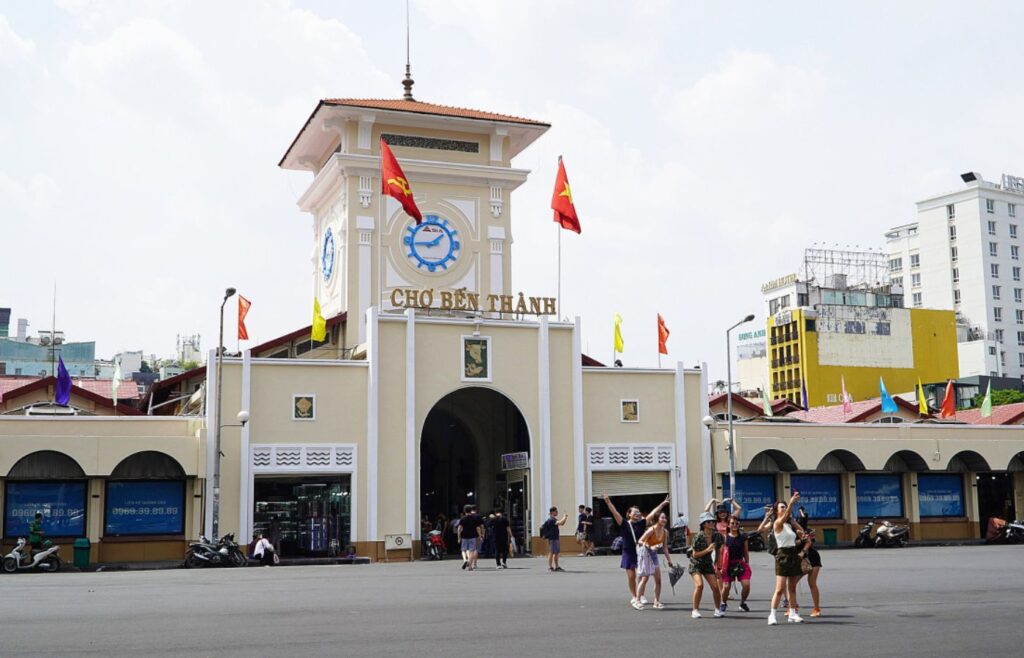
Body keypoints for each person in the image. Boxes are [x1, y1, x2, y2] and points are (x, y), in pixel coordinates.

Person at [603, 494, 670, 608]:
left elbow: (653, 513)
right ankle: (634, 597)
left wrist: (662, 504)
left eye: (638, 512)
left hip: (642, 551)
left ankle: (641, 595)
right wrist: (608, 502)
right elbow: (615, 513)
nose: (637, 513)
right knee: (631, 576)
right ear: (629, 514)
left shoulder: (642, 522)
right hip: (628, 552)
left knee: (643, 574)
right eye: (635, 512)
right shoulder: (624, 523)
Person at [768, 491, 805, 625]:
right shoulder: (778, 523)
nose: (784, 509)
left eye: (785, 506)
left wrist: (802, 539)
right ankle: (772, 615)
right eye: (781, 507)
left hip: (792, 554)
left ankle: (793, 613)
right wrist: (791, 503)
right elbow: (787, 515)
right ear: (777, 511)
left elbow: (793, 542)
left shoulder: (789, 526)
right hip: (782, 555)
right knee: (779, 589)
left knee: (792, 587)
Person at [634, 512, 674, 610]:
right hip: (646, 554)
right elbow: (640, 541)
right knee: (645, 578)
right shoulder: (651, 530)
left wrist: (669, 560)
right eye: (662, 518)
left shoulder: (665, 532)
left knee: (658, 580)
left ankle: (656, 601)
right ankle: (637, 600)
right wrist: (649, 546)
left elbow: (665, 548)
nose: (664, 519)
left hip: (654, 555)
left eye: (665, 518)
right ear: (657, 519)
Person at [689, 512, 724, 619]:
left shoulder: (717, 536)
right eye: (709, 522)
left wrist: (718, 568)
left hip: (708, 563)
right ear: (703, 524)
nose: (712, 523)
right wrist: (707, 550)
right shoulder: (698, 536)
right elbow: (694, 555)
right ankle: (695, 610)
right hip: (696, 564)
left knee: (715, 587)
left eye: (713, 521)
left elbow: (718, 552)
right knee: (699, 585)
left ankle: (718, 610)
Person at [719, 516, 752, 612]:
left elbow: (746, 552)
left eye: (736, 523)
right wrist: (720, 567)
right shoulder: (725, 538)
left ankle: (742, 603)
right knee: (726, 587)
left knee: (746, 585)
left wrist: (747, 563)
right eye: (732, 523)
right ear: (728, 525)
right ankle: (723, 603)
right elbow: (721, 554)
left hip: (740, 563)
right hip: (727, 564)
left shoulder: (743, 537)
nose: (734, 525)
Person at [541, 507, 568, 572]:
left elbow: (562, 523)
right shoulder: (551, 520)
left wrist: (565, 518)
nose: (557, 512)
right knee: (551, 552)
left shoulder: (554, 519)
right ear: (552, 512)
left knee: (556, 552)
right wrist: (564, 517)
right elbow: (560, 523)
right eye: (556, 511)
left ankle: (557, 566)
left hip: (555, 538)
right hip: (552, 539)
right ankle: (550, 567)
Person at [457, 505, 483, 571]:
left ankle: (465, 560)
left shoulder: (462, 519)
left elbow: (459, 529)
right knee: (472, 551)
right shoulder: (474, 518)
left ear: (464, 511)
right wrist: (480, 536)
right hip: (473, 536)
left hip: (464, 536)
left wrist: (459, 537)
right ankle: (470, 566)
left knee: (463, 550)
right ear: (471, 510)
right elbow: (478, 528)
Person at [805, 529, 823, 617]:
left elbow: (810, 543)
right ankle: (792, 608)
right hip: (800, 559)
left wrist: (809, 536)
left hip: (813, 558)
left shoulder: (803, 530)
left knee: (812, 583)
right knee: (791, 584)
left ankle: (816, 608)